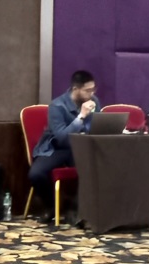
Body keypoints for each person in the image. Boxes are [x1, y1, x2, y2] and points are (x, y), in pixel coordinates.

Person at [28, 70, 99, 223]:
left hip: (82, 147)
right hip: (57, 148)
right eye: (87, 90)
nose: (91, 94)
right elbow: (62, 138)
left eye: (93, 89)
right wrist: (81, 117)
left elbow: (97, 126)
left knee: (93, 168)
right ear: (75, 89)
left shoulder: (94, 102)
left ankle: (75, 208)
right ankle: (52, 205)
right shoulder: (57, 106)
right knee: (35, 174)